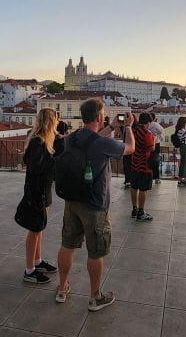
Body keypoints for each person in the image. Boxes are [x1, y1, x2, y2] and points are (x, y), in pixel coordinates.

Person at [55, 98, 135, 311]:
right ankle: (95, 297)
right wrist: (128, 127)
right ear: (99, 116)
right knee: (95, 252)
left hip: (72, 199)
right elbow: (130, 148)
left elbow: (92, 141)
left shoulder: (71, 138)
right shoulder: (103, 144)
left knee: (67, 244)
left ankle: (62, 288)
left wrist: (111, 127)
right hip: (95, 204)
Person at [20, 108, 60, 284]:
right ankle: (29, 270)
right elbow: (37, 167)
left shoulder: (42, 141)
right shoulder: (38, 142)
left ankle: (37, 261)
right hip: (37, 192)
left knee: (39, 228)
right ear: (50, 122)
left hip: (43, 191)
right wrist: (55, 162)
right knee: (34, 230)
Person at [130, 112, 156, 221]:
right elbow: (151, 148)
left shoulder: (133, 131)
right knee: (143, 190)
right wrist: (154, 140)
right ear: (148, 122)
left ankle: (134, 209)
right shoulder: (147, 133)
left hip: (134, 164)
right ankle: (141, 213)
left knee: (134, 187)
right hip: (144, 165)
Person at [148, 113, 164, 184]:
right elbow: (161, 130)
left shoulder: (146, 124)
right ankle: (156, 178)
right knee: (155, 160)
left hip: (148, 143)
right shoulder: (155, 124)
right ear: (154, 118)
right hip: (156, 143)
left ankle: (149, 176)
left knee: (148, 160)